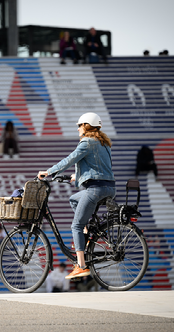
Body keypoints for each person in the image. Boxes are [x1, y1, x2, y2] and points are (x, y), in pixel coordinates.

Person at [38, 112, 115, 279]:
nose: (78, 128)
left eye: (80, 125)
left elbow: (70, 159)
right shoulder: (104, 143)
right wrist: (76, 176)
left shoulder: (87, 142)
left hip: (95, 189)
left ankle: (81, 265)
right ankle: (86, 236)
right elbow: (97, 167)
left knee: (75, 226)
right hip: (109, 188)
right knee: (74, 199)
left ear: (86, 126)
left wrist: (49, 172)